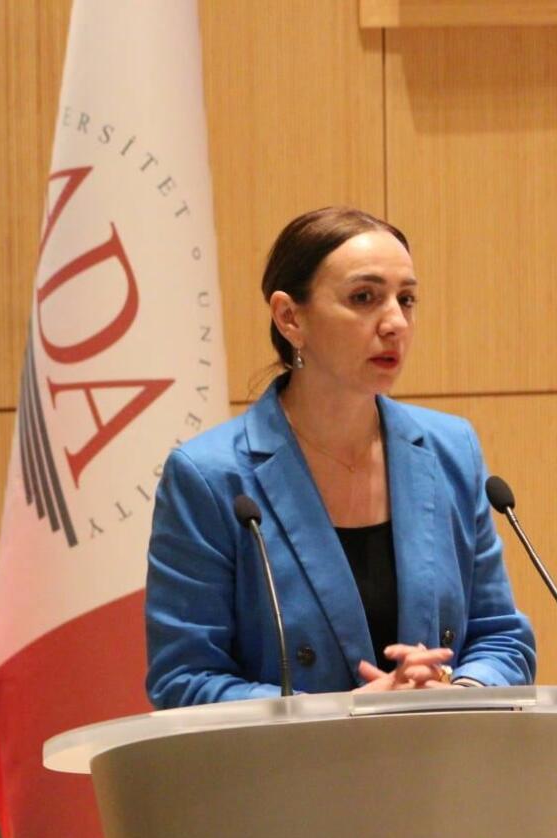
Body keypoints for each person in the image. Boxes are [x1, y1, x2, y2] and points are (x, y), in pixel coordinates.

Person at [145, 206, 535, 709]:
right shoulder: (210, 477)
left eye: (406, 299)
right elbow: (184, 680)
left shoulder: (450, 451)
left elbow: (501, 636)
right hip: (292, 761)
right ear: (290, 317)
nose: (395, 323)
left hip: (439, 754)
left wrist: (457, 693)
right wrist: (340, 712)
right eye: (364, 298)